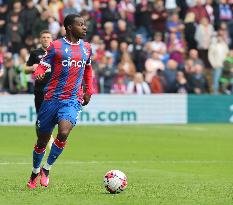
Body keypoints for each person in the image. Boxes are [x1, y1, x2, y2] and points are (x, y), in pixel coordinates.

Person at [26, 14, 93, 189]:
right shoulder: (56, 46)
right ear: (70, 27)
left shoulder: (87, 48)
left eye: (85, 25)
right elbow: (43, 64)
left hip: (72, 100)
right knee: (42, 140)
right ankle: (34, 172)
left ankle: (46, 169)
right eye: (81, 25)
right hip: (51, 99)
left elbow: (88, 70)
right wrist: (38, 73)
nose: (85, 27)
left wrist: (89, 90)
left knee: (63, 132)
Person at [25, 30, 54, 148]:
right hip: (40, 89)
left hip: (53, 89)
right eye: (44, 37)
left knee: (53, 115)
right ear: (40, 39)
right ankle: (42, 140)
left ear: (51, 39)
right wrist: (32, 67)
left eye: (48, 37)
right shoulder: (35, 53)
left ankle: (49, 138)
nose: (46, 39)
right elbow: (25, 69)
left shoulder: (56, 53)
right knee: (40, 117)